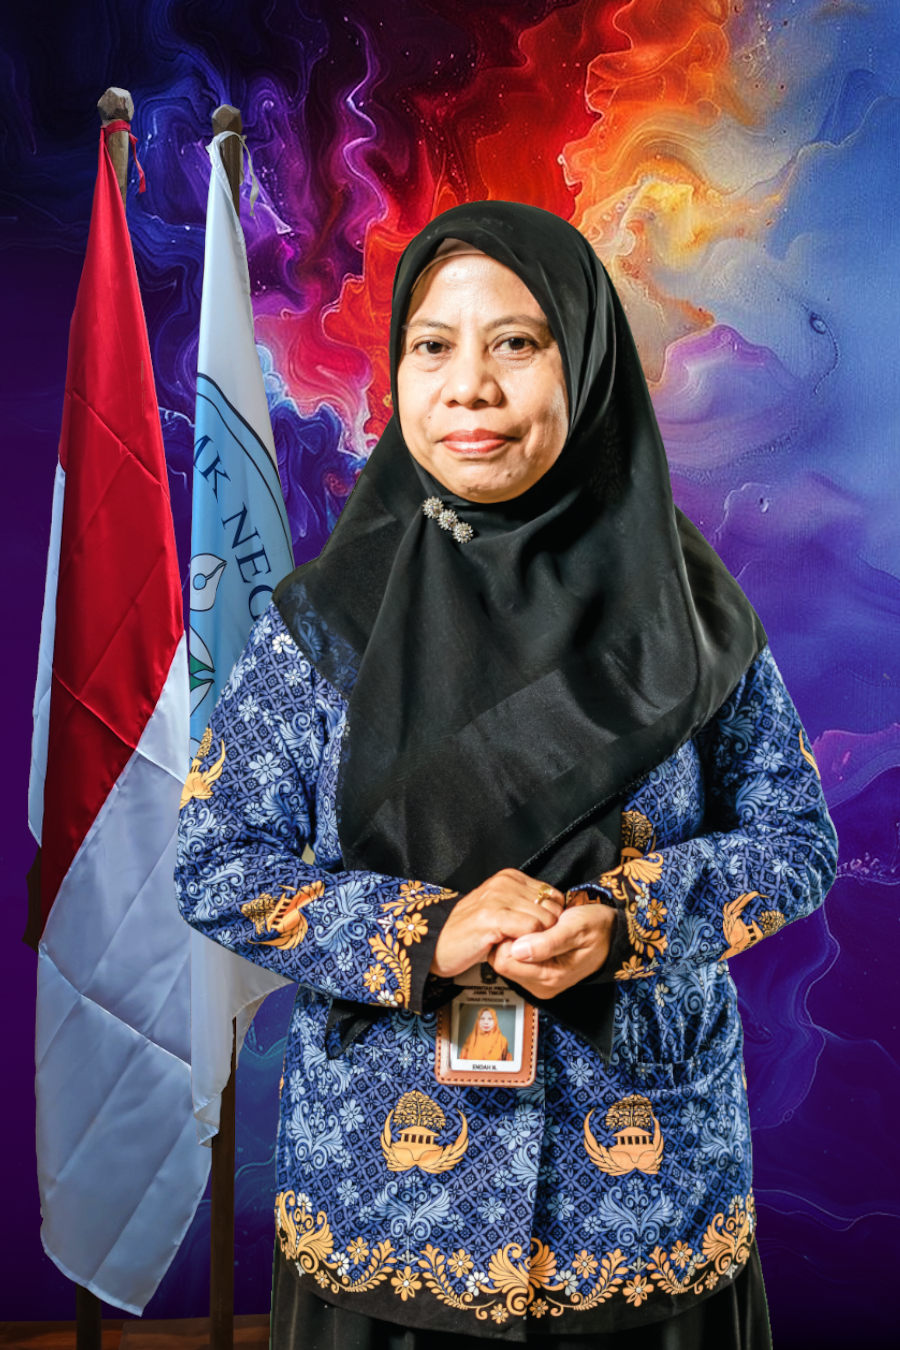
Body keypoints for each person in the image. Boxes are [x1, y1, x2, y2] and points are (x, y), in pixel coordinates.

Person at [176, 201, 837, 1347]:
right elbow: (215, 861)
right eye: (433, 346)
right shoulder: (326, 625)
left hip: (642, 1205)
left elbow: (795, 843)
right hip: (389, 1200)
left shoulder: (687, 619)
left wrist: (627, 921)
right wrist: (429, 932)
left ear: (584, 362)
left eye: (517, 343)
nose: (468, 388)